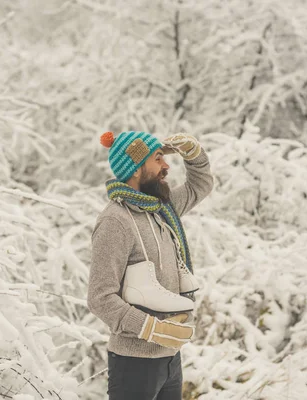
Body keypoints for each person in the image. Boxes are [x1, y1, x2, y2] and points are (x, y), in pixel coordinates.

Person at [87, 131, 214, 400]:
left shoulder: (162, 210)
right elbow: (100, 297)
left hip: (169, 359)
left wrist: (193, 154)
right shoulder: (115, 222)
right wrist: (150, 328)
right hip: (134, 363)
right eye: (158, 159)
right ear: (135, 168)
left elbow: (199, 186)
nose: (166, 166)